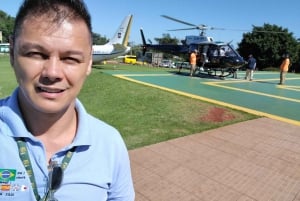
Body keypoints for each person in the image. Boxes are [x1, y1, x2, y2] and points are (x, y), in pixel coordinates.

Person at [0, 1, 135, 201]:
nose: (52, 73)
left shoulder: (110, 143)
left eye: (70, 58)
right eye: (36, 54)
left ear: (88, 63)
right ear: (12, 53)